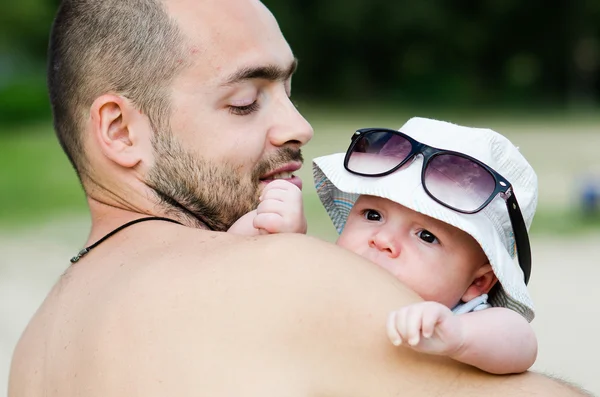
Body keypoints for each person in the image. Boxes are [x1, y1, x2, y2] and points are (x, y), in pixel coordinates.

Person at [8, 0, 593, 395]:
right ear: (119, 131)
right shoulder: (274, 272)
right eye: (245, 100)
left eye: (289, 89)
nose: (300, 126)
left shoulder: (33, 351)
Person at [231, 117, 538, 375]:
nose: (383, 240)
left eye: (426, 236)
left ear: (477, 282)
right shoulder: (325, 272)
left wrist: (459, 337)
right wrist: (282, 239)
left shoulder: (457, 319)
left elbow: (522, 342)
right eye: (373, 215)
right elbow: (228, 257)